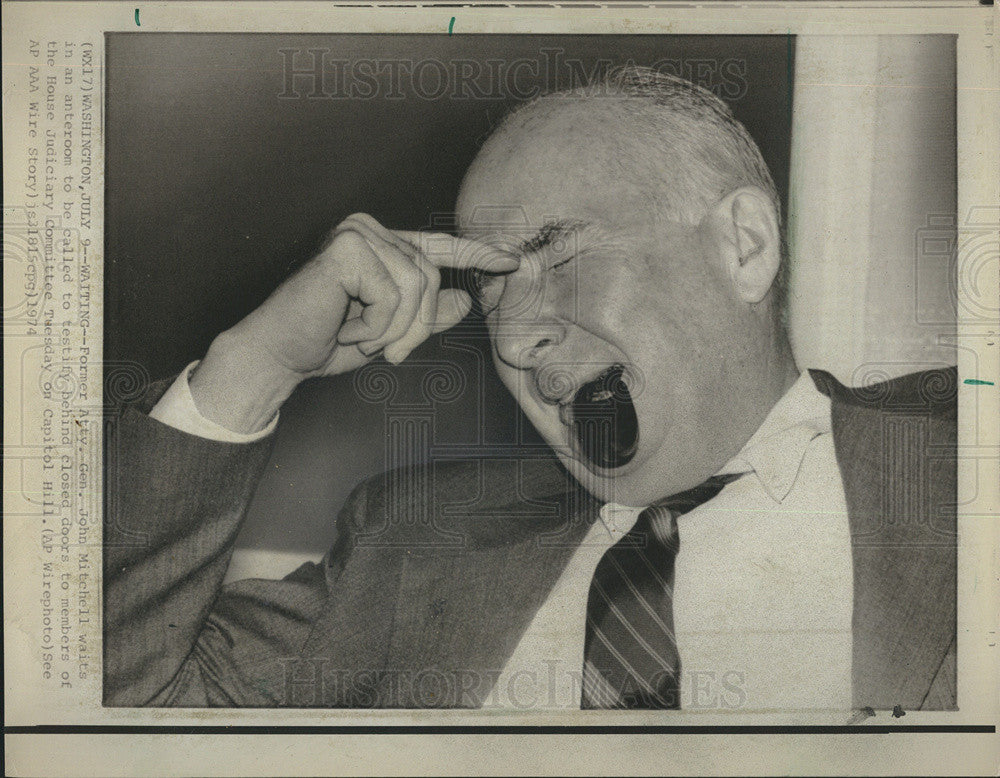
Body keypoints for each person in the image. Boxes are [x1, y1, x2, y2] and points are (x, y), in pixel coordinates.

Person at [104, 67, 956, 712]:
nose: (511, 335)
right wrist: (249, 369)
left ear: (744, 246)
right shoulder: (407, 542)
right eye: (491, 286)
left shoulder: (967, 468)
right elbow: (103, 704)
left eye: (565, 256)